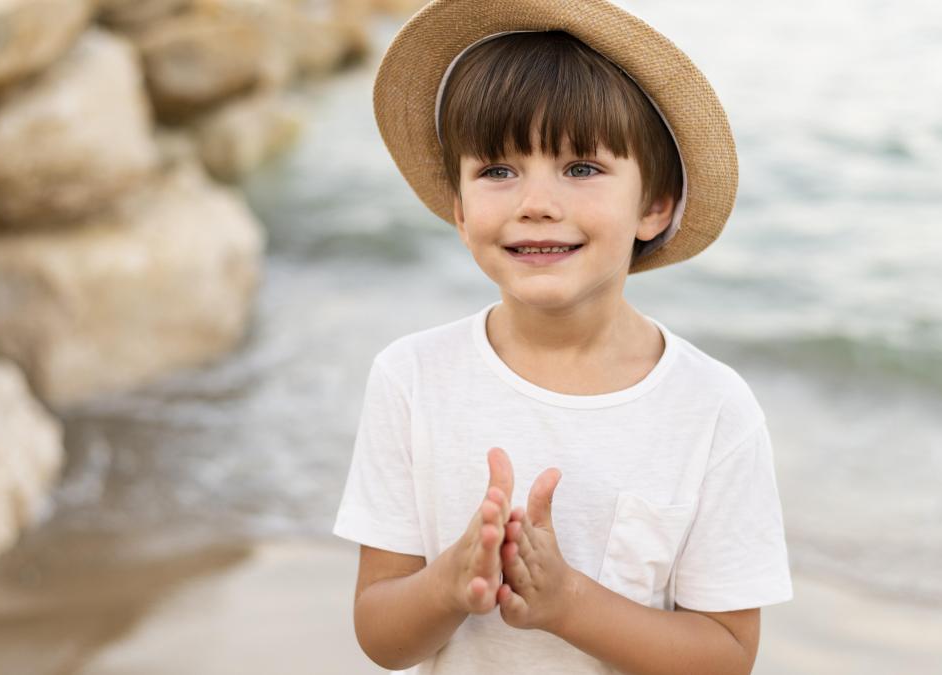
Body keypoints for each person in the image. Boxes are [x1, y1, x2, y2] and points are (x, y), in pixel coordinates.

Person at [332, 1, 794, 673]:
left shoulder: (714, 410)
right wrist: (451, 581)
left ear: (655, 205)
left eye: (581, 168)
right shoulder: (412, 378)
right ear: (460, 211)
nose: (535, 202)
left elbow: (725, 655)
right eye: (497, 169)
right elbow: (381, 634)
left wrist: (569, 601)